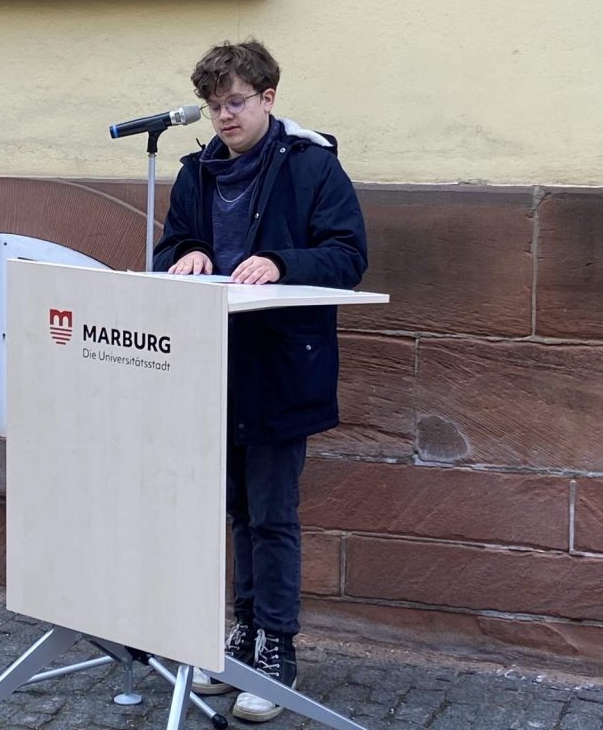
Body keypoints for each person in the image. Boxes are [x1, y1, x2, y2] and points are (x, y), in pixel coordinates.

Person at [153, 39, 367, 722]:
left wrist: (280, 262)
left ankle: (277, 650)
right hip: (212, 366)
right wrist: (186, 252)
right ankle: (242, 636)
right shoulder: (196, 173)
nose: (224, 116)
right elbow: (171, 244)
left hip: (280, 367)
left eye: (237, 102)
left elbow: (348, 255)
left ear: (269, 98)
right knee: (238, 511)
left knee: (273, 516)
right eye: (214, 106)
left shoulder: (312, 166)